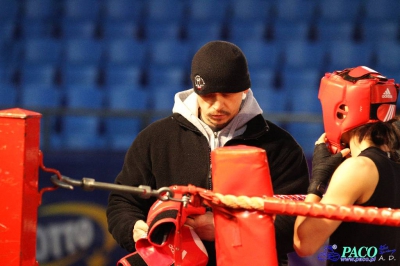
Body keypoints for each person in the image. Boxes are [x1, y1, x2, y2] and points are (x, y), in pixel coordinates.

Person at [107, 40, 309, 266]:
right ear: (196, 89)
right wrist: (134, 229)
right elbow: (123, 202)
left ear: (244, 90)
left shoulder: (280, 146)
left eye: (227, 94)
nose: (217, 106)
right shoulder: (155, 139)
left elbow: (296, 221)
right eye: (209, 96)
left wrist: (225, 230)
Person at [293, 66, 400, 265]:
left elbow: (303, 243)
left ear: (342, 110)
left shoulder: (358, 169)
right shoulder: (393, 161)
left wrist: (318, 179)